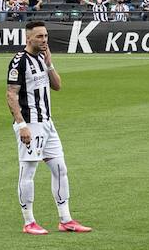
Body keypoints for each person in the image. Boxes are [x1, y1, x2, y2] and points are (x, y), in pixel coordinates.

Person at [8, 20, 91, 235]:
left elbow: (57, 86)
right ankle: (29, 222)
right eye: (39, 36)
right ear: (28, 38)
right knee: (28, 171)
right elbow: (11, 95)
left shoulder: (41, 59)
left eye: (45, 36)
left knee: (60, 169)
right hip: (31, 125)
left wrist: (50, 63)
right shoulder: (19, 61)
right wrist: (21, 124)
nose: (44, 40)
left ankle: (65, 219)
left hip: (47, 123)